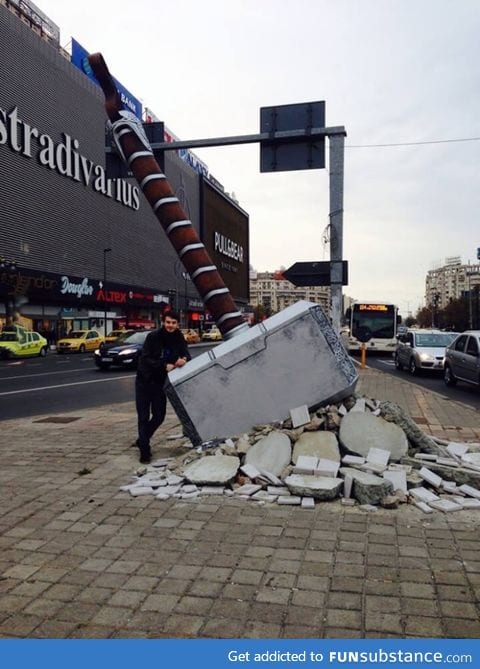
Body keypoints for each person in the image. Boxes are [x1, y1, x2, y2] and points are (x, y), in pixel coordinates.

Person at [134, 311, 189, 463]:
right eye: (168, 322)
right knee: (143, 418)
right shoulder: (153, 337)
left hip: (159, 384)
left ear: (178, 324)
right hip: (144, 382)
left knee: (159, 416)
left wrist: (183, 359)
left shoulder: (179, 337)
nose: (170, 325)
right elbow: (145, 358)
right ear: (163, 322)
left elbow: (186, 354)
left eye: (173, 323)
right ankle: (145, 451)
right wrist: (164, 365)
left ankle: (142, 439)